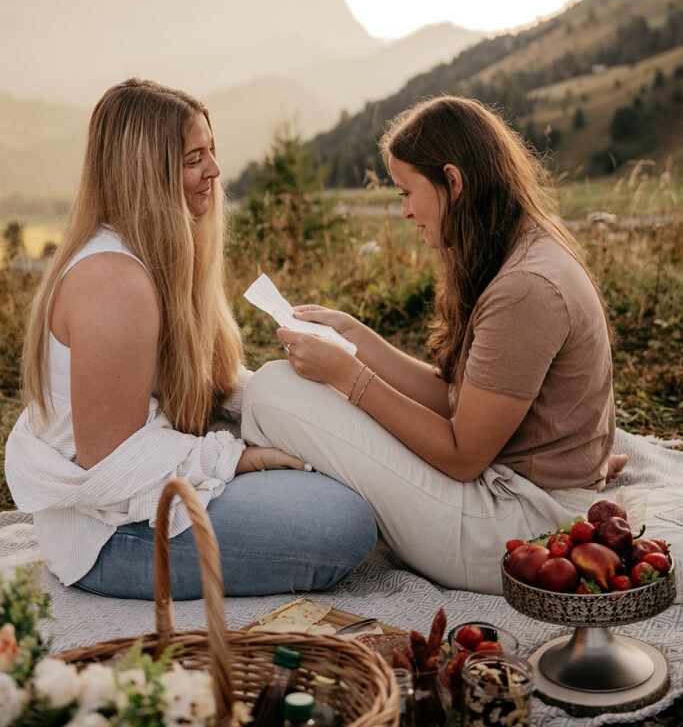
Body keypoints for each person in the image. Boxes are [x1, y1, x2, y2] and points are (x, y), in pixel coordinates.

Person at [5, 79, 376, 600]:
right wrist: (241, 458)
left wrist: (301, 399)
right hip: (112, 531)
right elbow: (113, 461)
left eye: (212, 151)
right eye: (193, 159)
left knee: (338, 466)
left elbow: (205, 385)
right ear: (147, 174)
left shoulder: (162, 252)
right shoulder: (113, 283)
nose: (216, 171)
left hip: (151, 487)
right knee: (343, 522)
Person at [241, 96, 622, 594]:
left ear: (453, 181)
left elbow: (463, 455)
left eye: (407, 192)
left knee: (271, 388)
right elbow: (454, 399)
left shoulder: (526, 287)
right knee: (292, 387)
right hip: (520, 497)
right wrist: (356, 339)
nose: (404, 211)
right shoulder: (521, 247)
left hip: (519, 531)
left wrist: (348, 377)